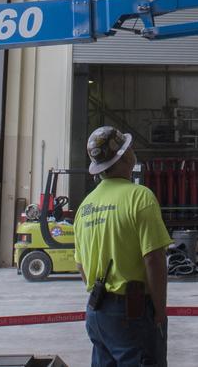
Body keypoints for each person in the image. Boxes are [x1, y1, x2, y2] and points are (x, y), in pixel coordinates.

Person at [75, 126, 171, 367]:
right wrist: (160, 311)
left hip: (97, 311)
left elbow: (80, 265)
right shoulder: (139, 197)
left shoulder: (85, 207)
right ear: (127, 156)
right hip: (132, 313)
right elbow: (154, 259)